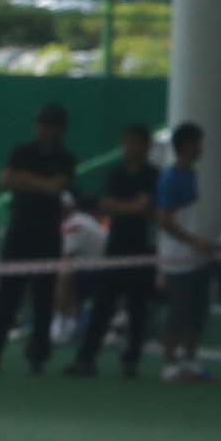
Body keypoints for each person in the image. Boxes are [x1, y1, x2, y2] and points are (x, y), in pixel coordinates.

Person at [0, 97, 75, 374]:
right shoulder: (21, 151)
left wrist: (25, 180)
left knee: (42, 299)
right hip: (19, 232)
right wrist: (39, 183)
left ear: (61, 129)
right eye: (43, 124)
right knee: (6, 297)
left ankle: (37, 357)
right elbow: (4, 181)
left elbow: (54, 189)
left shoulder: (65, 159)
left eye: (52, 125)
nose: (47, 130)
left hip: (47, 235)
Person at [70, 122, 158, 381]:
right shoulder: (116, 174)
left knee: (137, 309)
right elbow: (105, 205)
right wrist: (128, 206)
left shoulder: (153, 176)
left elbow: (143, 208)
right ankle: (86, 359)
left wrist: (122, 206)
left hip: (142, 249)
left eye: (133, 142)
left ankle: (131, 361)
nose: (127, 148)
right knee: (102, 305)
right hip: (115, 248)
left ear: (145, 146)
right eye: (125, 142)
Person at [149, 122, 221, 384]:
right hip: (178, 259)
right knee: (178, 312)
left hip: (197, 257)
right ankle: (170, 363)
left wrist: (206, 244)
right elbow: (165, 221)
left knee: (198, 311)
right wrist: (196, 242)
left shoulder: (193, 175)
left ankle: (190, 360)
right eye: (198, 142)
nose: (201, 148)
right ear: (186, 145)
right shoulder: (171, 178)